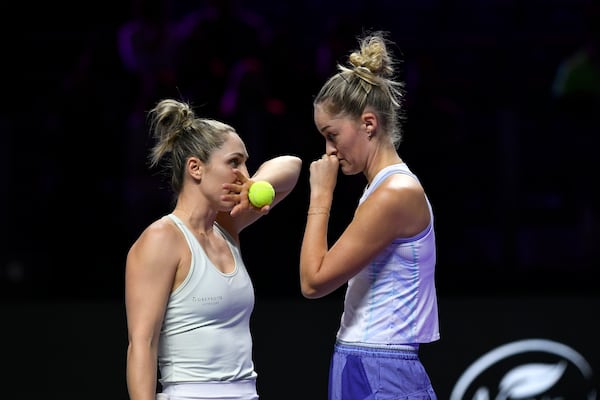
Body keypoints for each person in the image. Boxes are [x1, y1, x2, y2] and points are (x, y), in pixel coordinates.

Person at [125, 98, 302, 400]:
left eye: (246, 162)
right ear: (195, 168)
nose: (244, 174)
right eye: (234, 162)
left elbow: (292, 167)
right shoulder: (161, 238)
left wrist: (256, 184)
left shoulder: (227, 227)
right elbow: (142, 343)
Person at [299, 31, 440, 399]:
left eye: (332, 135)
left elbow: (313, 281)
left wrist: (321, 195)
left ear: (368, 123)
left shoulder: (395, 193)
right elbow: (314, 282)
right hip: (372, 363)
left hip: (377, 366)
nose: (329, 151)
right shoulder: (382, 189)